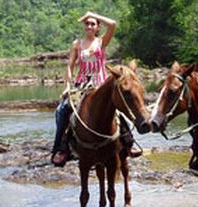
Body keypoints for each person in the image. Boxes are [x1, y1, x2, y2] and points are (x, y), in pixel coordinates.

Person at [50, 11, 139, 167]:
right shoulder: (76, 44)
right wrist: (68, 86)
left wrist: (92, 14)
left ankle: (128, 142)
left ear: (98, 27)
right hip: (81, 84)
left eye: (93, 24)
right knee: (62, 110)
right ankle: (61, 148)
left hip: (101, 83)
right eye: (87, 23)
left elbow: (112, 24)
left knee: (117, 107)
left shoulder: (101, 42)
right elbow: (70, 66)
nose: (89, 26)